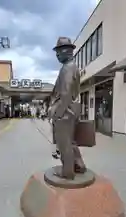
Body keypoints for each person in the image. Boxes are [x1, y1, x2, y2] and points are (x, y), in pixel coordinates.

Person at [48, 37, 86, 179]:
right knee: (71, 141)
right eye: (56, 52)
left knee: (64, 144)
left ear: (68, 51)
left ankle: (67, 172)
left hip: (65, 112)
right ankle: (79, 165)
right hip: (71, 111)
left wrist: (57, 113)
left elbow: (65, 93)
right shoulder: (72, 67)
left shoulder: (67, 68)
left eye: (59, 51)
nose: (57, 54)